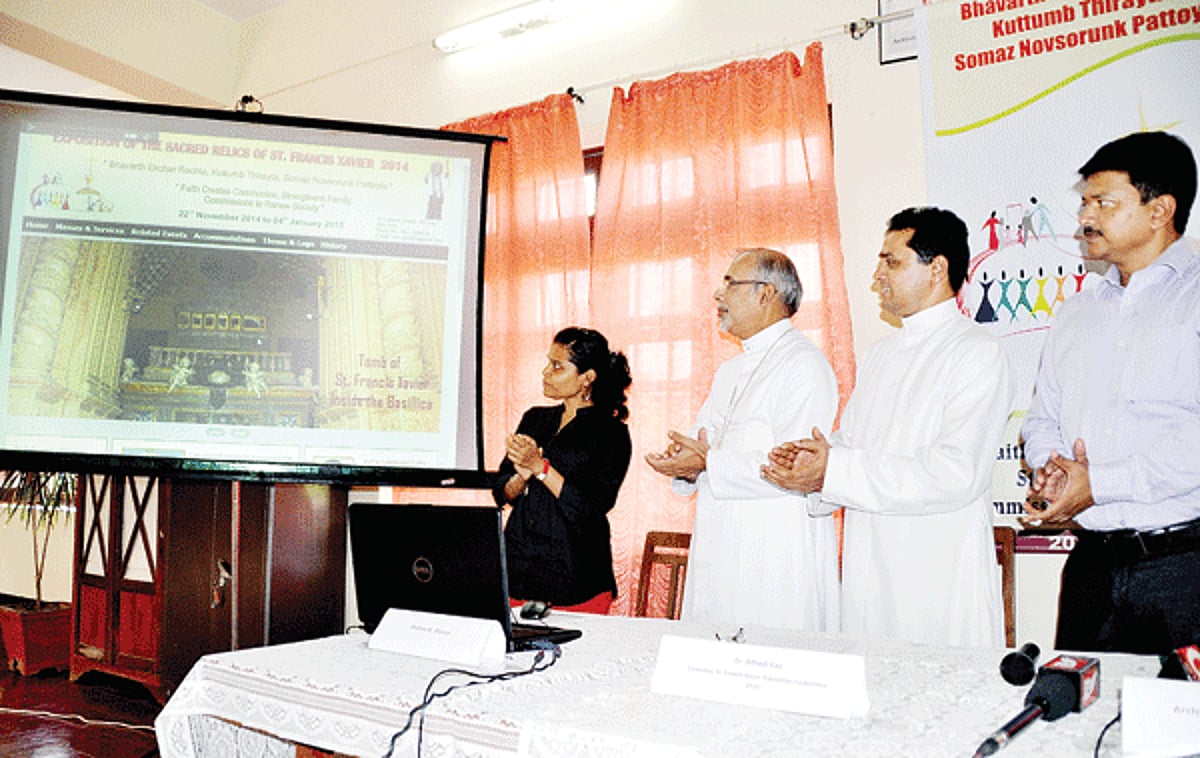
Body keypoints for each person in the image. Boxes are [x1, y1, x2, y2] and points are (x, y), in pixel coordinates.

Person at [761, 208, 1014, 647]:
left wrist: (834, 471)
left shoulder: (976, 352)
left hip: (937, 576)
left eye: (891, 262)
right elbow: (853, 443)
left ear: (937, 269)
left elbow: (955, 472)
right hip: (868, 571)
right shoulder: (880, 355)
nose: (877, 276)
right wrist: (812, 464)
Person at [1022, 131, 1200, 654]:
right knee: (1074, 722)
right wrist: (1053, 470)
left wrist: (1099, 483)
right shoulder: (1077, 311)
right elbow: (1041, 418)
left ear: (1159, 210)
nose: (1085, 218)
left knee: (1184, 729)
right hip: (1091, 568)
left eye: (1104, 202)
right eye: (1084, 202)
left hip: (1183, 566)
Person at [645, 248, 839, 631]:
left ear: (766, 293)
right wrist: (683, 464)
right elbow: (703, 446)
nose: (719, 295)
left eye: (730, 283)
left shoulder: (805, 365)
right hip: (721, 549)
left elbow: (793, 468)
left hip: (775, 557)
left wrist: (706, 463)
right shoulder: (730, 371)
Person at [491, 326, 632, 614]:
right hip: (518, 570)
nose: (545, 372)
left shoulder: (611, 433)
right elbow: (502, 492)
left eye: (557, 366)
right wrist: (522, 475)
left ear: (587, 378)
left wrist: (540, 468)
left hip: (575, 576)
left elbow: (591, 507)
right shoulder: (534, 418)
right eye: (547, 362)